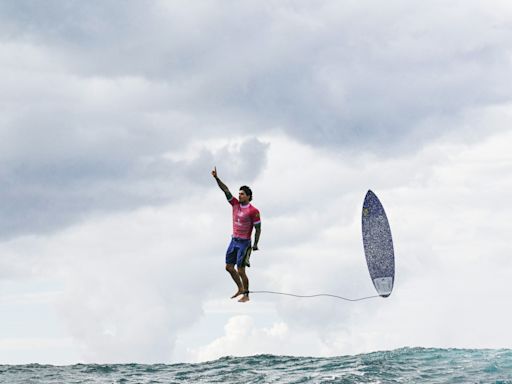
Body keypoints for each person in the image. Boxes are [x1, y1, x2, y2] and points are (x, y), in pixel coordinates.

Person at [211, 166, 261, 303]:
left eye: (242, 194)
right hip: (234, 241)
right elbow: (225, 190)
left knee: (241, 270)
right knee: (228, 267)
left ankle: (246, 294)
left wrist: (255, 244)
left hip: (244, 244)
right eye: (239, 193)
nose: (239, 196)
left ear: (249, 196)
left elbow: (258, 228)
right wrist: (216, 178)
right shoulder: (235, 204)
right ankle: (240, 288)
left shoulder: (253, 211)